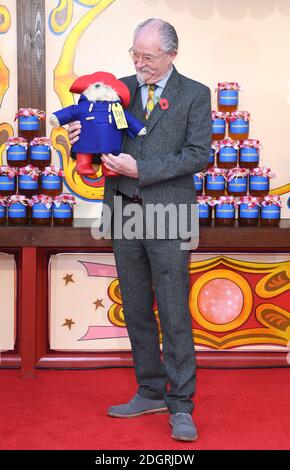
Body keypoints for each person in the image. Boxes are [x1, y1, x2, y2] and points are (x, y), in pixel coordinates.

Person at [68, 18, 211, 442]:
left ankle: (181, 404)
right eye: (135, 54)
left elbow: (198, 155)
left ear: (172, 54)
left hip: (170, 216)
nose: (139, 63)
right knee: (134, 308)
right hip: (124, 213)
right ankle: (149, 389)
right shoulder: (115, 89)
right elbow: (99, 140)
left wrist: (141, 168)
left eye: (147, 56)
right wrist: (82, 138)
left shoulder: (195, 95)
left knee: (172, 309)